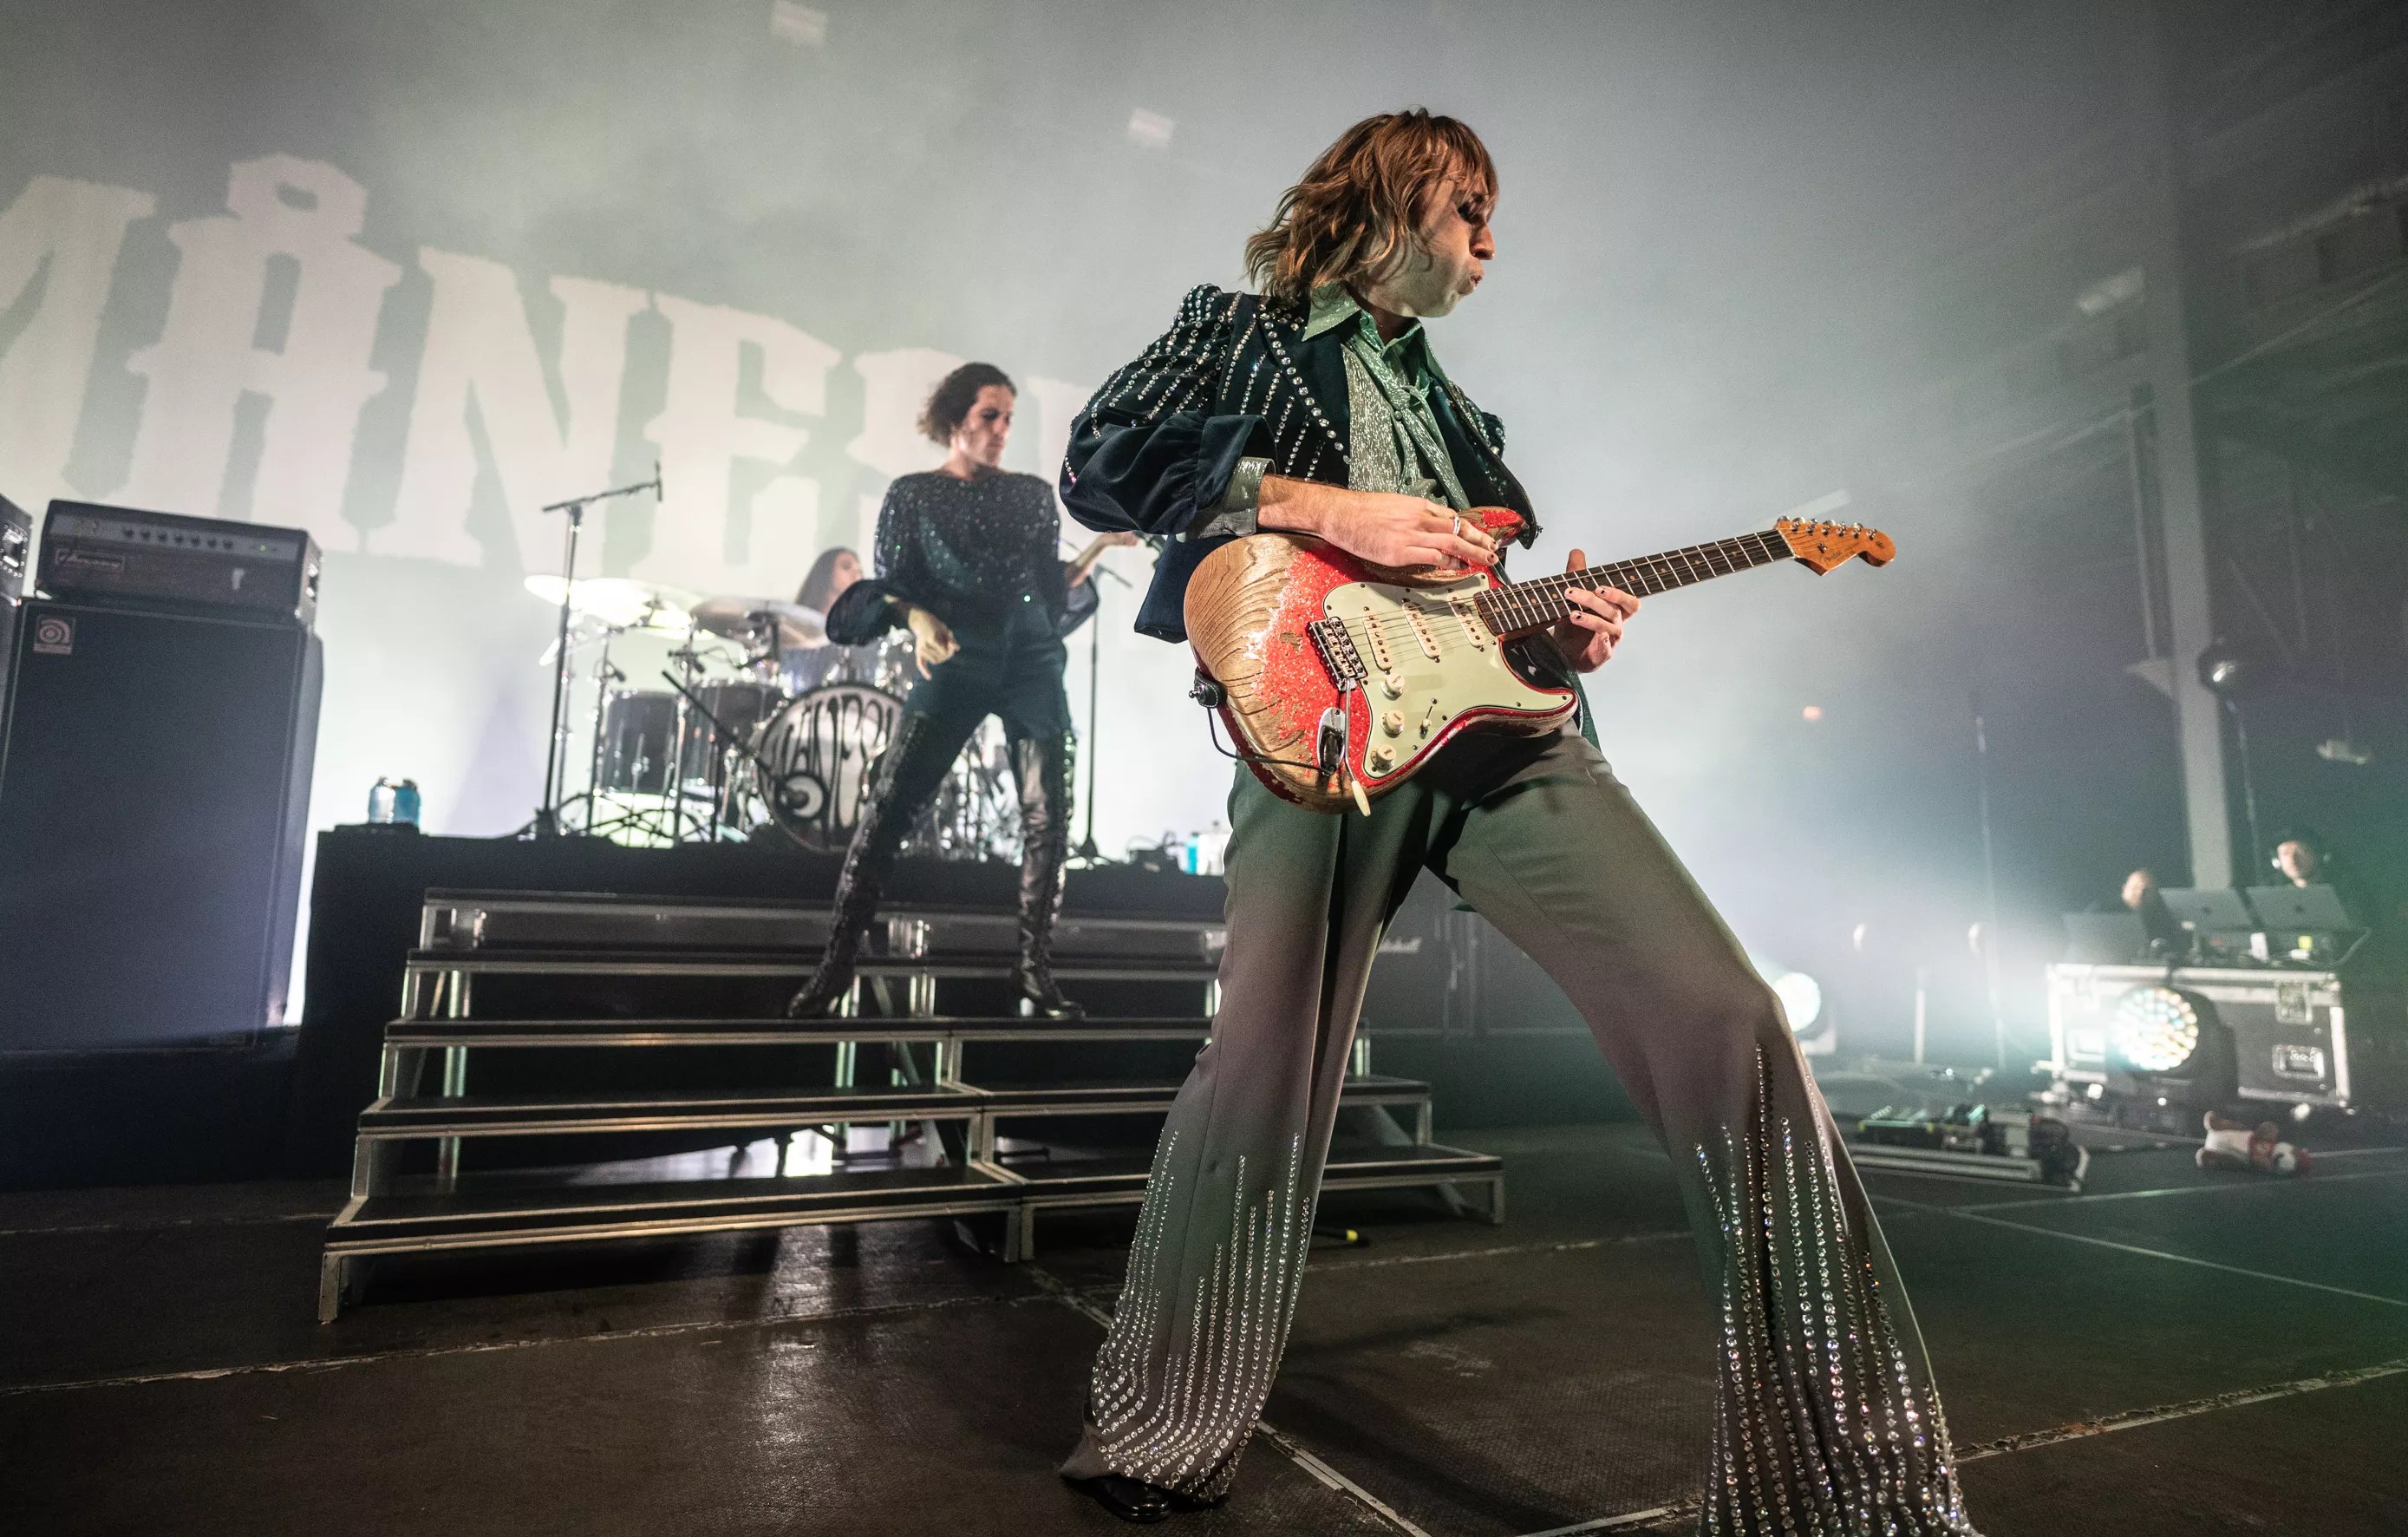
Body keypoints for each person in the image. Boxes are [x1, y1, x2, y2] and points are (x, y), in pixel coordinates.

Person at [1052, 110, 1976, 1532]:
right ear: (1385, 203)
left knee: (1728, 1016)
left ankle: (1840, 1482)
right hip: (1323, 730)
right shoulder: (1234, 331)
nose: (1490, 239)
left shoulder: (1468, 425)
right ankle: (1161, 1429)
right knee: (1261, 1074)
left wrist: (1563, 635)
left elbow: (1487, 618)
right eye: (1466, 208)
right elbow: (1099, 463)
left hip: (1508, 743)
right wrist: (1328, 509)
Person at [786, 363, 1132, 1020]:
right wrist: (918, 619)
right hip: (955, 658)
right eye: (988, 416)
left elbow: (1046, 589)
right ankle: (836, 966)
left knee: (1049, 818)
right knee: (891, 810)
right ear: (955, 420)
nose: (1001, 430)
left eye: (1008, 418)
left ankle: (1033, 970)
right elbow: (893, 588)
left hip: (1031, 660)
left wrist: (1096, 550)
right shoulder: (913, 495)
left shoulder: (1032, 495)